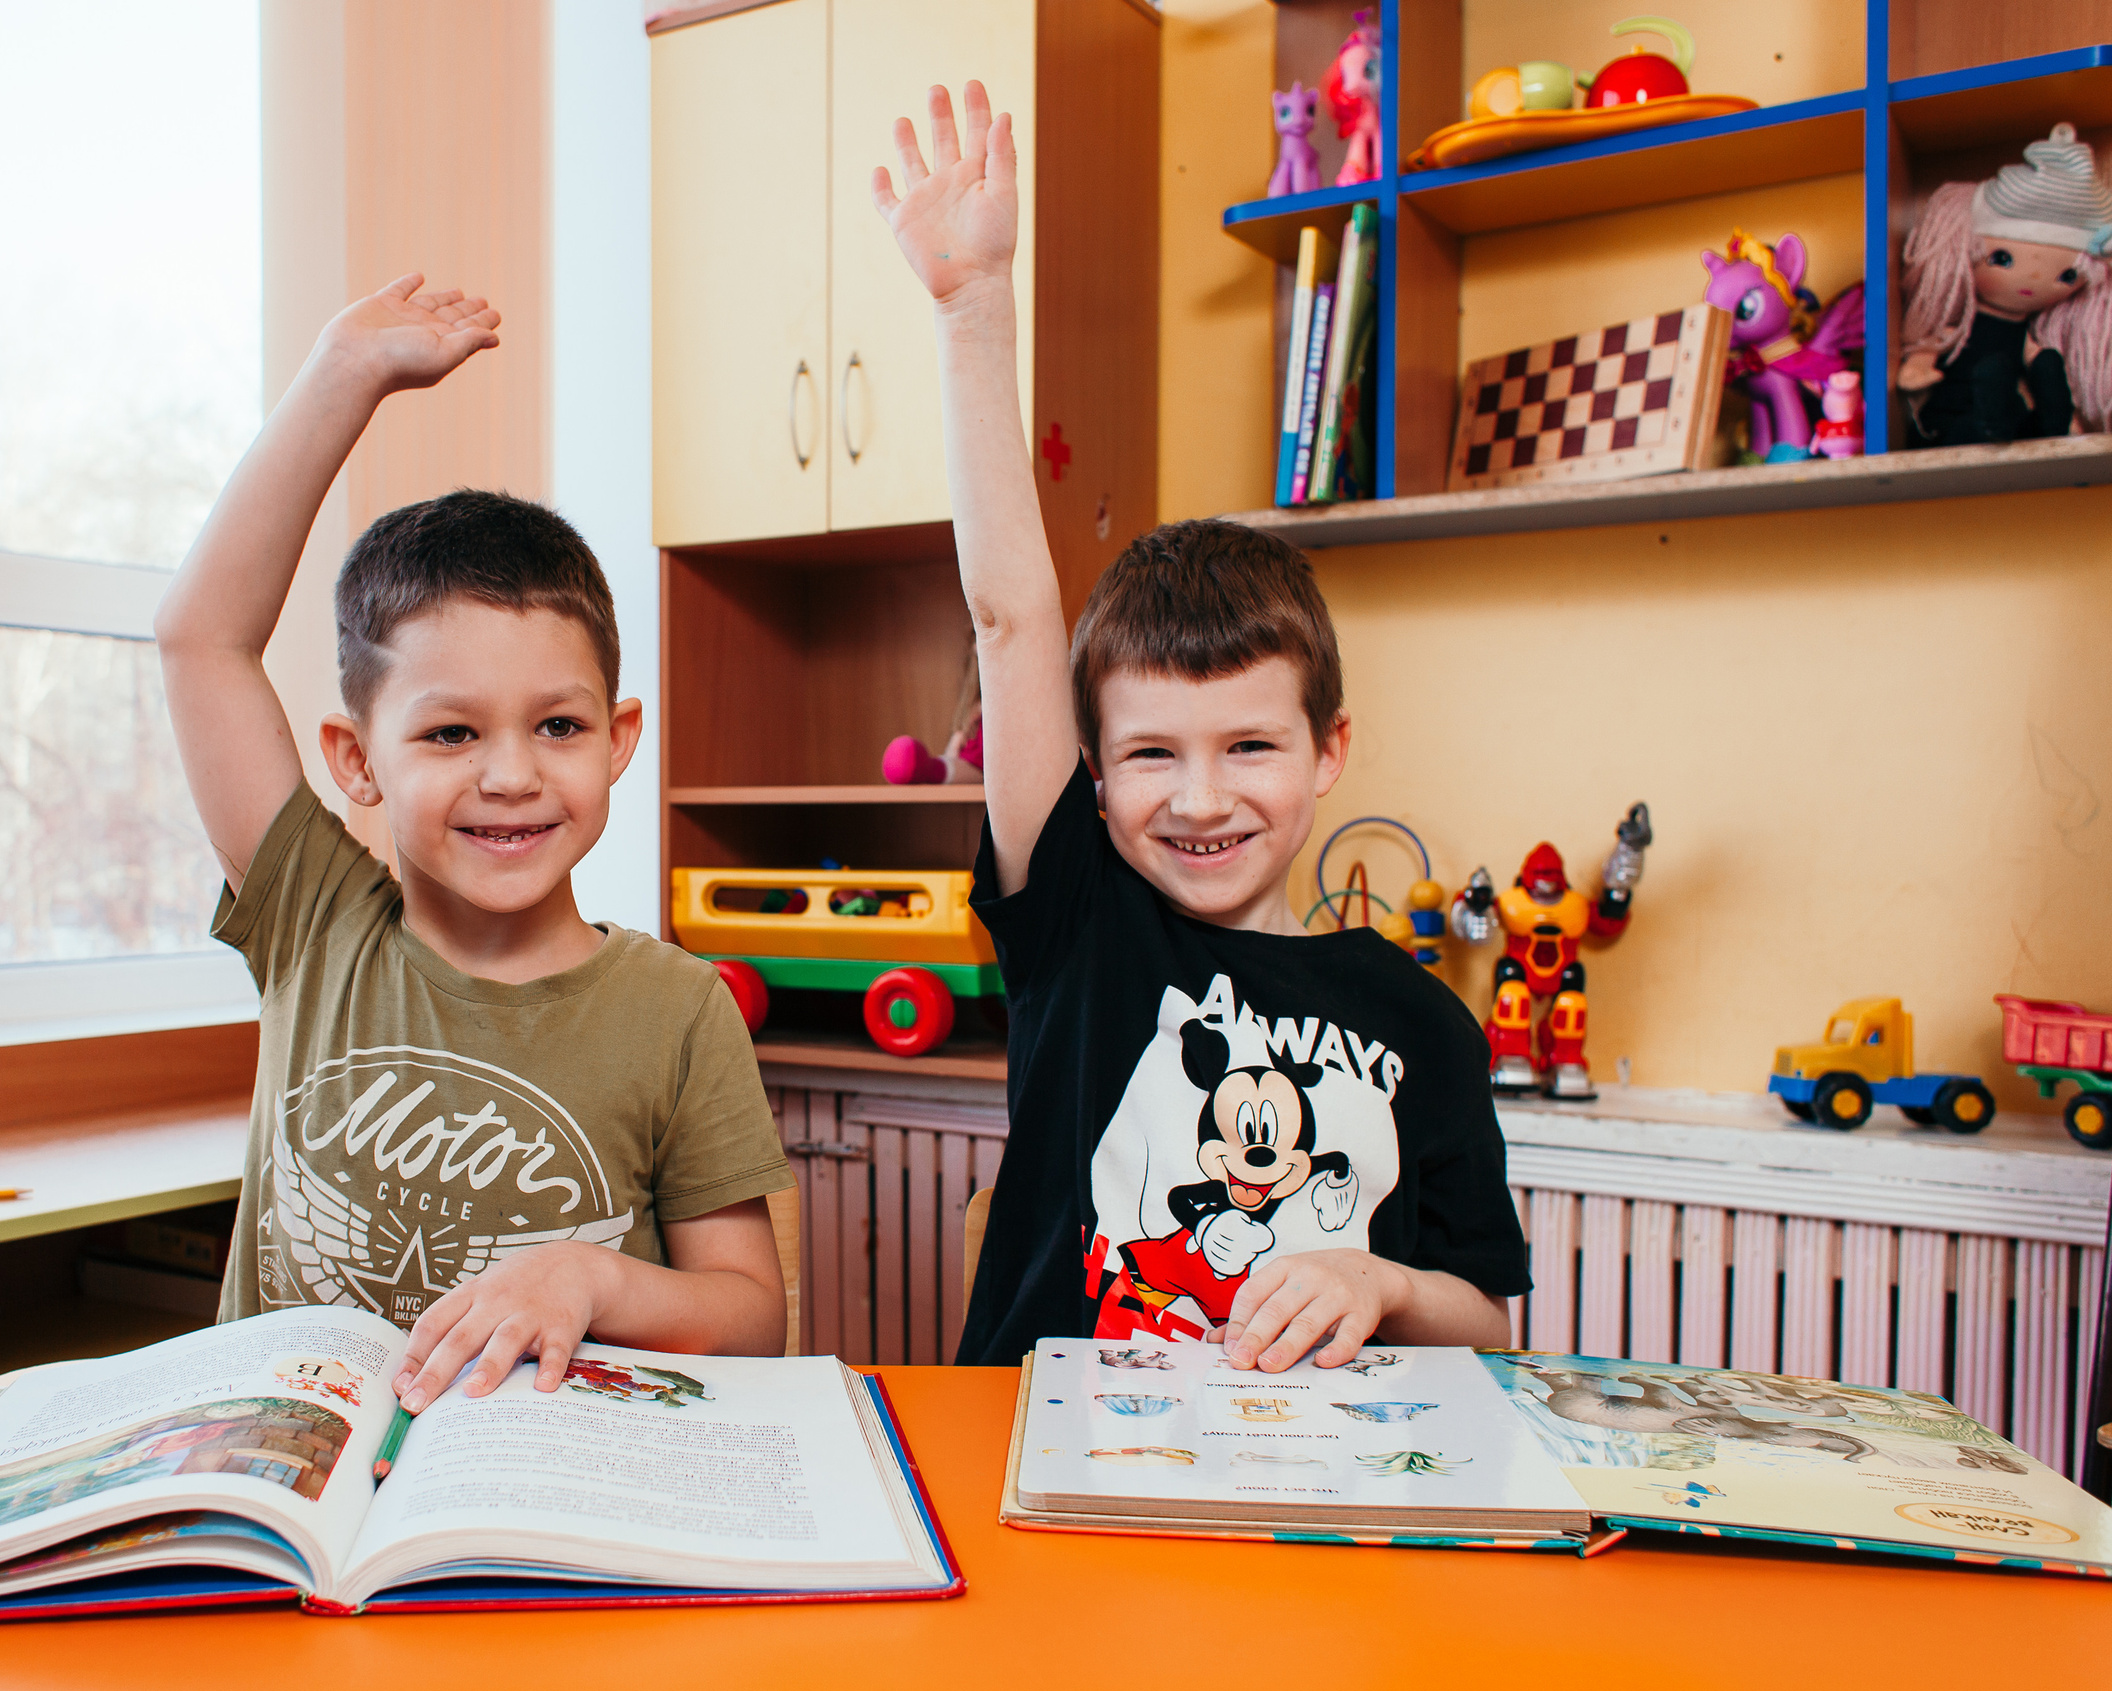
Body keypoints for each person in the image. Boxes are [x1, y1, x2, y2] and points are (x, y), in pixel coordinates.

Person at [871, 84, 1529, 1373]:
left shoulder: (1424, 1022)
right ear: (1096, 782)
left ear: (1327, 751)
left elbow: (1485, 1323)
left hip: (1314, 1498)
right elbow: (1009, 617)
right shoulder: (1078, 924)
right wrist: (971, 311)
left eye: (1249, 747)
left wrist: (1379, 1279)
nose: (1201, 797)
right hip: (1049, 1479)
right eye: (1152, 754)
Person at [155, 274, 794, 1414]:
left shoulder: (679, 1008)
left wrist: (594, 1278)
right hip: (297, 1493)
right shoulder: (315, 915)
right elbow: (201, 636)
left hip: (543, 1495)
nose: (510, 773)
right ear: (355, 762)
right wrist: (339, 380)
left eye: (557, 725)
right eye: (450, 732)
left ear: (617, 740)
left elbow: (749, 1316)